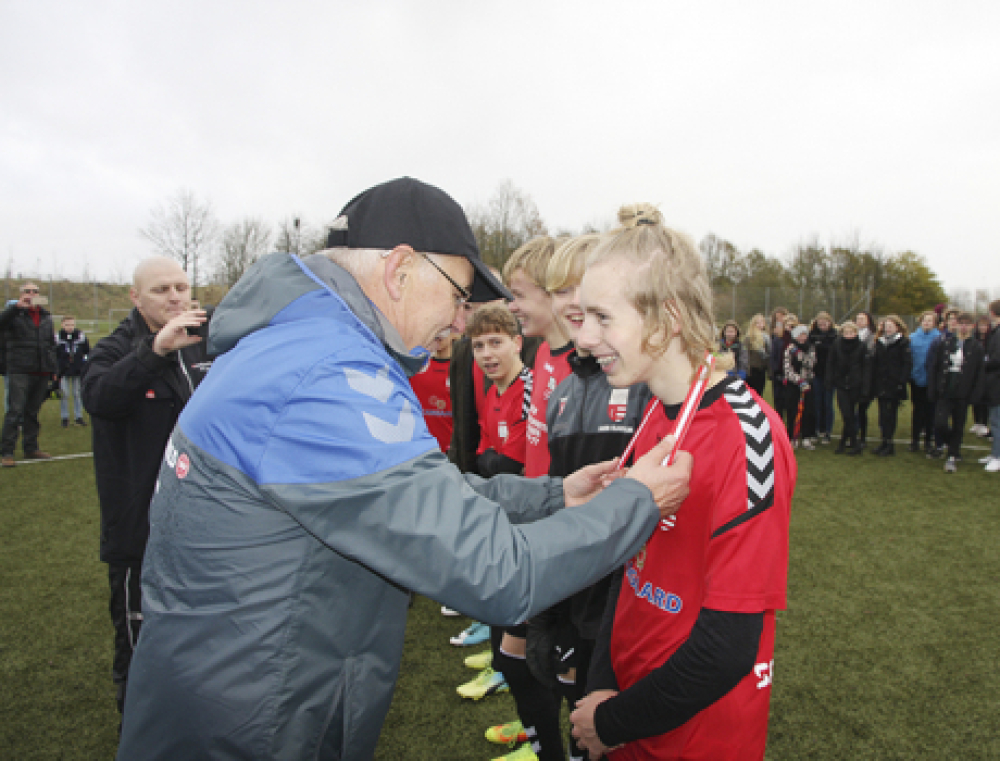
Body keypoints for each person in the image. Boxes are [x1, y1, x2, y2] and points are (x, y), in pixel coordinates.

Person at [114, 178, 694, 761]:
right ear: (401, 270)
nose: (461, 323)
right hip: (257, 722)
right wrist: (636, 501)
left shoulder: (296, 345)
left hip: (237, 695)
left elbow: (413, 493)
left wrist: (554, 495)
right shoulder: (326, 372)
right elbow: (497, 571)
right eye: (459, 296)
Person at [570, 203, 795, 761]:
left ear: (666, 317)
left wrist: (611, 721)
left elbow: (726, 648)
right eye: (582, 317)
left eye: (602, 318)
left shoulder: (750, 437)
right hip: (628, 711)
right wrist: (601, 691)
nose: (585, 338)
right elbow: (631, 571)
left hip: (695, 736)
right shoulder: (654, 409)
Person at [80, 257, 211, 723]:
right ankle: (139, 735)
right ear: (135, 297)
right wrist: (154, 350)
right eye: (161, 289)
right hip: (140, 534)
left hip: (201, 525)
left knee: (199, 640)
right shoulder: (115, 349)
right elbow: (99, 397)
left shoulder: (204, 341)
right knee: (141, 647)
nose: (175, 296)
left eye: (181, 286)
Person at [0, 282, 57, 467]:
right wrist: (17, 307)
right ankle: (7, 452)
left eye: (35, 291)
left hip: (41, 370)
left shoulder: (46, 316)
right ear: (21, 294)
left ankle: (31, 447)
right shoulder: (14, 314)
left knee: (32, 412)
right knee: (15, 411)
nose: (31, 294)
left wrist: (54, 369)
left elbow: (50, 344)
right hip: (19, 369)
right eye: (27, 291)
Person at [927, 312, 984, 473]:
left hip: (963, 394)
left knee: (958, 425)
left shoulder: (977, 347)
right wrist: (932, 389)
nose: (963, 326)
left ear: (972, 326)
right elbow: (934, 367)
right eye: (961, 323)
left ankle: (952, 456)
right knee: (940, 424)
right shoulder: (945, 343)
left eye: (967, 324)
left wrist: (976, 394)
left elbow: (980, 373)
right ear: (956, 325)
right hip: (945, 391)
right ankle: (952, 444)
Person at [827, 321, 871, 455]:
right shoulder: (836, 345)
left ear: (856, 333)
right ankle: (853, 443)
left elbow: (866, 368)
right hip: (841, 384)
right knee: (847, 415)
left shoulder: (862, 346)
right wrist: (829, 380)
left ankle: (845, 443)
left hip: (855, 385)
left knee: (850, 415)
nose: (849, 335)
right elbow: (831, 363)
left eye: (851, 332)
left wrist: (865, 388)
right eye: (846, 332)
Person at [870, 315, 912, 457]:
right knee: (882, 415)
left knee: (890, 415)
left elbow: (907, 364)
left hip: (894, 384)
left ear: (897, 327)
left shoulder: (902, 343)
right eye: (886, 326)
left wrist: (901, 382)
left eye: (891, 326)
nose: (887, 328)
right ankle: (884, 441)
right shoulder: (880, 342)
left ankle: (889, 444)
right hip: (881, 384)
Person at [409, 331, 455, 453]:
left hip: (453, 451)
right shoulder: (415, 366)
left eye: (445, 330)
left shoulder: (463, 368)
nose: (439, 335)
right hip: (421, 450)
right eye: (436, 330)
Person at [907, 311, 940, 453]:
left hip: (932, 381)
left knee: (930, 412)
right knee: (917, 411)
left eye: (930, 320)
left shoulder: (939, 338)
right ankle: (915, 441)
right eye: (924, 320)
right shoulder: (912, 338)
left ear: (935, 323)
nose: (926, 323)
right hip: (916, 380)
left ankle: (928, 442)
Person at [783, 325, 817, 449]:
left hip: (808, 384)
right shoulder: (789, 349)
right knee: (792, 410)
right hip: (793, 384)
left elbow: (811, 364)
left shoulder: (811, 348)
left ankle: (806, 437)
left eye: (804, 335)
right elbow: (787, 369)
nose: (802, 337)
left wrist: (800, 355)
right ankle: (792, 437)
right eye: (799, 335)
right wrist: (799, 381)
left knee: (808, 411)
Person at [55, 315, 91, 427]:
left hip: (77, 369)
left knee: (77, 393)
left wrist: (84, 363)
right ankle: (65, 417)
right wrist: (56, 369)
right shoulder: (57, 338)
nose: (70, 327)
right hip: (63, 370)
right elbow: (54, 354)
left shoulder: (80, 336)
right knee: (64, 394)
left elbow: (87, 351)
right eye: (67, 324)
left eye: (72, 324)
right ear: (62, 325)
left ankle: (78, 417)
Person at [808, 311, 837, 444]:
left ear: (830, 323)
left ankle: (827, 431)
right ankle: (816, 429)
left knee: (828, 403)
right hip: (816, 374)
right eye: (820, 323)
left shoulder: (834, 335)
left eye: (825, 323)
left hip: (830, 375)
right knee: (816, 403)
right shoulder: (812, 335)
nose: (822, 325)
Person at [854, 311, 877, 450]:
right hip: (853, 379)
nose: (859, 321)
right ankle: (852, 435)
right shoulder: (851, 334)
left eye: (862, 319)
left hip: (867, 379)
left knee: (862, 409)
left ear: (868, 321)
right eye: (858, 318)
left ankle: (862, 437)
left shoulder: (873, 337)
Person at [982, 300, 1000, 472]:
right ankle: (995, 453)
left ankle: (997, 457)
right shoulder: (995, 331)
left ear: (993, 313)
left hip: (997, 383)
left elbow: (996, 359)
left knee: (996, 422)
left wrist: (982, 363)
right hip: (993, 382)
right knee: (994, 420)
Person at [971, 315, 992, 437]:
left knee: (984, 398)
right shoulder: (974, 338)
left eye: (985, 325)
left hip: (987, 372)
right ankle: (977, 422)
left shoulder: (991, 339)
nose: (983, 327)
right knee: (975, 397)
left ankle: (984, 423)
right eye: (981, 325)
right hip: (975, 371)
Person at [744, 313, 769, 397]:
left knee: (759, 394)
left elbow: (768, 355)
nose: (759, 325)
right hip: (751, 371)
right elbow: (745, 355)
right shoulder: (749, 338)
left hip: (761, 371)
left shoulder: (766, 338)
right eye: (757, 323)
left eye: (761, 322)